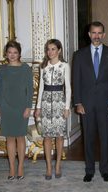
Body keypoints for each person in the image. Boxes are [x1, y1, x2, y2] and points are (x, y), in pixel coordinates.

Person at [73, 21, 108, 182]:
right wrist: (78, 102)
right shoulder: (79, 55)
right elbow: (76, 81)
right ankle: (89, 170)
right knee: (88, 137)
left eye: (100, 33)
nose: (97, 36)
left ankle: (105, 170)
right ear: (89, 34)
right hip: (85, 104)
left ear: (104, 35)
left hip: (106, 103)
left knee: (106, 137)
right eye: (94, 33)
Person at [0, 40, 33, 180]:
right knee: (9, 138)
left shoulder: (26, 69)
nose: (12, 55)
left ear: (19, 54)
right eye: (10, 52)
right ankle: (11, 168)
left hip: (22, 107)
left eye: (15, 52)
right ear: (6, 54)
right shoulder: (2, 69)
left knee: (20, 137)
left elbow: (30, 90)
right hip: (5, 107)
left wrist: (28, 107)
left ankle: (21, 166)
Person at [35, 39, 71, 180]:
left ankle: (58, 166)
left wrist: (67, 107)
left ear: (59, 50)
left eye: (53, 49)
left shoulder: (64, 66)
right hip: (45, 103)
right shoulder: (43, 66)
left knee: (59, 136)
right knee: (47, 137)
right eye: (48, 49)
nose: (50, 52)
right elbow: (41, 88)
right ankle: (49, 167)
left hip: (59, 103)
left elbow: (68, 88)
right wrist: (38, 107)